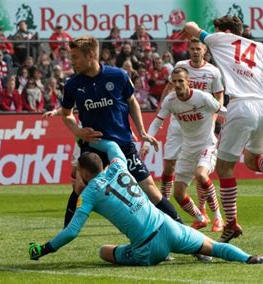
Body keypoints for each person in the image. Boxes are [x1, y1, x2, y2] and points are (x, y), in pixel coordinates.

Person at [28, 139, 263, 266]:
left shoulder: (90, 193)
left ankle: (147, 254)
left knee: (104, 251)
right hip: (169, 227)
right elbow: (114, 145)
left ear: (83, 173)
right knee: (212, 247)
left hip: (147, 248)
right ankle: (250, 259)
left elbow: (72, 231)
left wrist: (44, 249)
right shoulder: (118, 165)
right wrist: (94, 142)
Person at [179, 16, 263, 242]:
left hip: (241, 106)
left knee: (224, 168)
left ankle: (231, 224)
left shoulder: (220, 39)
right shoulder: (259, 47)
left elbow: (191, 26)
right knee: (253, 160)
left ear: (227, 30)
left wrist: (190, 30)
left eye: (218, 30)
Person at [60, 36, 183, 231]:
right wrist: (77, 130)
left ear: (91, 55)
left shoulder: (117, 76)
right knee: (80, 187)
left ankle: (184, 232)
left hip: (123, 146)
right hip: (93, 146)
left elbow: (132, 101)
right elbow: (66, 114)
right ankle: (65, 234)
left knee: (149, 189)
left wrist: (141, 130)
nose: (72, 61)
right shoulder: (73, 85)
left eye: (75, 57)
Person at [147, 38, 225, 233]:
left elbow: (222, 109)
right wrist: (147, 141)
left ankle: (218, 218)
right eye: (176, 82)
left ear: (188, 82)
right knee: (179, 192)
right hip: (188, 147)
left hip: (206, 143)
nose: (179, 84)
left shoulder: (203, 96)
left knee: (201, 174)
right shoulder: (171, 101)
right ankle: (200, 217)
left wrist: (240, 124)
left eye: (182, 81)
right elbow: (158, 120)